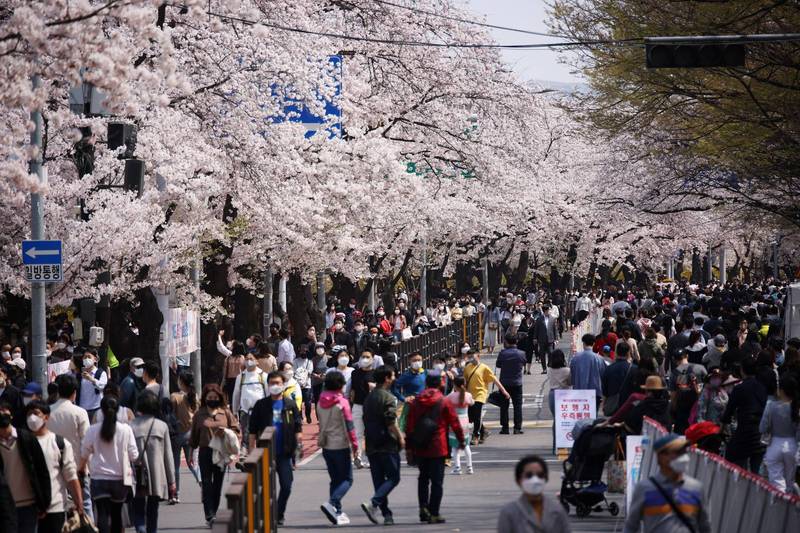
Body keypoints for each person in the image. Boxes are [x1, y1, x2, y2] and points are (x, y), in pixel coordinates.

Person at [405, 374, 465, 524]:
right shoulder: (443, 401)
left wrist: (409, 446)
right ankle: (434, 512)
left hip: (420, 445)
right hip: (438, 446)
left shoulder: (416, 401)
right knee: (437, 482)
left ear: (426, 383)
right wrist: (461, 440)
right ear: (440, 384)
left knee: (423, 478)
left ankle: (423, 508)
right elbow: (454, 422)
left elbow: (409, 425)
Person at [623, 434, 711, 533]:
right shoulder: (644, 488)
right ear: (661, 457)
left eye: (684, 452)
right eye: (677, 452)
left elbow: (705, 526)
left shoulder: (696, 488)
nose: (684, 457)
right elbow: (631, 526)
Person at [21, 400, 83, 533]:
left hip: (55, 508)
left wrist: (79, 501)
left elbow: (70, 475)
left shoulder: (59, 444)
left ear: (46, 417)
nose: (32, 417)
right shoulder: (21, 444)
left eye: (36, 413)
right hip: (27, 508)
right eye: (29, 414)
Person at [248, 371, 302, 526]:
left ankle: (279, 513)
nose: (275, 386)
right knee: (264, 488)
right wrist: (251, 452)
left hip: (284, 453)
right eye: (271, 383)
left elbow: (298, 426)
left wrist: (298, 446)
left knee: (286, 486)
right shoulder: (261, 405)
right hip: (265, 452)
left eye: (278, 383)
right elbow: (252, 430)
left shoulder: (290, 405)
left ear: (283, 384)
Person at [80, 396, 139, 533]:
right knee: (116, 514)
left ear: (101, 410)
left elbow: (84, 453)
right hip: (119, 479)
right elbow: (134, 455)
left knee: (102, 514)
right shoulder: (125, 430)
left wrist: (80, 469)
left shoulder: (93, 430)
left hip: (98, 478)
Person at [189, 384, 240, 527]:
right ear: (205, 398)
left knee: (217, 485)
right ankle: (209, 515)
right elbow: (193, 437)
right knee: (206, 484)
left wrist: (227, 432)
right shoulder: (199, 415)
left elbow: (236, 430)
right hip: (205, 451)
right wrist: (190, 453)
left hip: (221, 453)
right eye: (209, 397)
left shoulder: (226, 412)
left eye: (215, 397)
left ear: (219, 398)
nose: (212, 399)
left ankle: (214, 512)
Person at [361, 366, 403, 526]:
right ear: (387, 378)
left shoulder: (368, 398)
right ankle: (374, 503)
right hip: (387, 443)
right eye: (392, 376)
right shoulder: (388, 398)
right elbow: (391, 422)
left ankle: (386, 514)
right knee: (394, 477)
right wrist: (401, 438)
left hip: (371, 443)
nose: (394, 378)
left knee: (379, 481)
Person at [317, 371, 359, 526]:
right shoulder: (342, 402)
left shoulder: (320, 401)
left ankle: (337, 511)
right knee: (347, 479)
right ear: (341, 385)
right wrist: (355, 446)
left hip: (326, 445)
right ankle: (332, 503)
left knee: (335, 479)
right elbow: (349, 427)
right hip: (340, 445)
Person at [131, 391, 175, 533]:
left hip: (136, 474)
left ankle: (141, 529)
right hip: (157, 475)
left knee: (137, 508)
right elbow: (168, 456)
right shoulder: (162, 426)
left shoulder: (130, 426)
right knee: (153, 510)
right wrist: (172, 481)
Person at [47, 374, 92, 517]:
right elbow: (86, 441)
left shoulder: (48, 412)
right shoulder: (80, 413)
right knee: (85, 503)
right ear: (74, 392)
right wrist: (85, 466)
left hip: (53, 465)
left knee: (60, 505)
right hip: (78, 465)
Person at [496, 455, 572, 533]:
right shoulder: (508, 513)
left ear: (546, 479)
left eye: (540, 475)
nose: (535, 480)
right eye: (529, 475)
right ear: (518, 480)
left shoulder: (558, 512)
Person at [759, 375, 800, 492]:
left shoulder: (770, 405)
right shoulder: (796, 408)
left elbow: (762, 428)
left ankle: (779, 506)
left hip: (775, 444)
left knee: (776, 480)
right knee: (789, 482)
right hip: (792, 446)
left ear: (781, 390)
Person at [463, 350, 509, 445]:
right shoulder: (467, 367)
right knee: (473, 417)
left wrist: (503, 391)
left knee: (478, 415)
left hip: (481, 394)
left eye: (473, 355)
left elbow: (494, 379)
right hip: (470, 395)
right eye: (469, 356)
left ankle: (475, 435)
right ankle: (484, 431)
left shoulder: (484, 368)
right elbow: (464, 381)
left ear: (478, 356)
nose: (471, 357)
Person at [169, 370, 199, 504]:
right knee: (192, 463)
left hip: (177, 434)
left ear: (181, 382)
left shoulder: (174, 397)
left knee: (175, 465)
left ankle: (176, 494)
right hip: (191, 433)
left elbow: (171, 415)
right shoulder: (195, 396)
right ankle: (202, 483)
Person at [231, 352, 267, 450]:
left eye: (251, 358)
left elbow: (268, 394)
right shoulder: (241, 377)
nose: (249, 361)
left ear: (257, 361)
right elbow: (236, 394)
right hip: (245, 412)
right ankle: (244, 459)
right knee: (246, 436)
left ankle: (262, 461)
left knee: (261, 437)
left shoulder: (263, 376)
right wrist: (234, 411)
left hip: (261, 412)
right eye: (247, 359)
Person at [669, 349, 707, 435]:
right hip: (699, 406)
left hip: (682, 409)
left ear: (674, 360)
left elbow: (673, 395)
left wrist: (673, 411)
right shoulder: (700, 368)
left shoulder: (674, 373)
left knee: (682, 434)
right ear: (687, 356)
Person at [349, 350, 376, 469]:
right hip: (358, 406)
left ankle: (372, 458)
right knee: (357, 433)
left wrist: (374, 387)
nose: (365, 359)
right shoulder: (354, 373)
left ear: (373, 359)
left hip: (372, 408)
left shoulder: (376, 374)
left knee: (371, 434)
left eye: (367, 357)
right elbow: (352, 390)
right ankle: (357, 457)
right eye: (363, 356)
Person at [495, 333, 526, 434]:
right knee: (518, 406)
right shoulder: (521, 353)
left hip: (504, 383)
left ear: (506, 342)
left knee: (504, 406)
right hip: (517, 383)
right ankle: (517, 428)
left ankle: (505, 428)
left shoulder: (502, 353)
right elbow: (524, 362)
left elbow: (498, 365)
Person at [445, 376, 474, 474]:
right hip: (465, 422)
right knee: (466, 445)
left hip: (454, 424)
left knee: (455, 447)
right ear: (464, 384)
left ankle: (458, 468)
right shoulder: (468, 395)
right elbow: (472, 403)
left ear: (454, 385)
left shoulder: (451, 396)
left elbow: (444, 403)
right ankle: (470, 467)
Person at [569, 334, 606, 401]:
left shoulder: (575, 358)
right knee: (594, 411)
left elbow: (572, 376)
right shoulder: (599, 359)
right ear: (594, 343)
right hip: (595, 393)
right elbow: (603, 376)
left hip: (579, 393)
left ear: (583, 343)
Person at [601, 342, 632, 417]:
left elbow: (604, 390)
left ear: (616, 353)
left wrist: (604, 404)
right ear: (628, 353)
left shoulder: (609, 368)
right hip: (628, 406)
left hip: (613, 407)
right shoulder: (633, 369)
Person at [77, 349, 108, 421]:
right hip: (82, 408)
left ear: (95, 359)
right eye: (85, 357)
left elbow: (103, 386)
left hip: (96, 408)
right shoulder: (79, 375)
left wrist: (91, 379)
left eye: (89, 357)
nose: (86, 359)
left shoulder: (100, 373)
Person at [534, 305, 559, 373]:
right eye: (548, 310)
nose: (549, 311)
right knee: (542, 354)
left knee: (551, 353)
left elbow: (555, 329)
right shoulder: (539, 319)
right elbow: (536, 329)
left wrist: (556, 338)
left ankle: (549, 364)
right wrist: (535, 338)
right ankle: (544, 369)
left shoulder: (552, 318)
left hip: (550, 339)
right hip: (541, 339)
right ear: (545, 311)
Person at [220, 338, 245, 402]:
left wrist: (222, 383)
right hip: (240, 380)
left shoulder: (228, 359)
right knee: (240, 398)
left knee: (231, 399)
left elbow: (225, 372)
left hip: (230, 381)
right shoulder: (242, 358)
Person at [293, 346, 314, 424]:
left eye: (305, 351)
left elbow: (310, 372)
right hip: (297, 385)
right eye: (301, 351)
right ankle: (300, 416)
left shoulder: (309, 362)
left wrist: (304, 379)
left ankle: (308, 415)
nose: (303, 353)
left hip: (307, 385)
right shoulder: (295, 361)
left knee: (308, 403)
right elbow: (294, 371)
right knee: (299, 401)